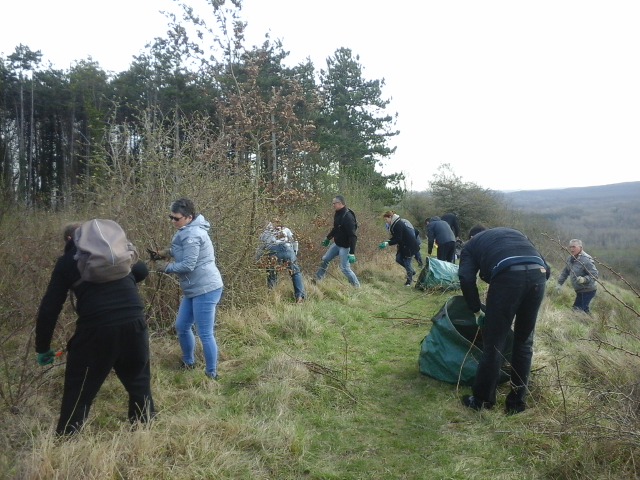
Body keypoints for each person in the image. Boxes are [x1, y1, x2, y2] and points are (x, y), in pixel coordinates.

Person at [35, 222, 155, 436]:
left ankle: (66, 443)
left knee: (79, 390)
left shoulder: (67, 263)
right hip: (134, 322)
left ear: (70, 241)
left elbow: (49, 309)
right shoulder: (117, 254)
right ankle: (143, 433)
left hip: (96, 331)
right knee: (139, 383)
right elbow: (142, 269)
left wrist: (42, 348)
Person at [457, 225, 550, 414]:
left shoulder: (470, 245)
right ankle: (516, 404)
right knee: (524, 343)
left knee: (494, 343)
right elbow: (547, 269)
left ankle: (482, 401)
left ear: (472, 236)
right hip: (538, 275)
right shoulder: (516, 233)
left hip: (508, 276)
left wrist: (476, 310)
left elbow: (466, 278)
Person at [153, 198, 224, 379]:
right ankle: (188, 362)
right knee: (182, 326)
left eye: (176, 218)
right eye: (171, 217)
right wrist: (164, 253)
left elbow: (188, 264)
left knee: (205, 333)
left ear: (189, 217)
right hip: (193, 288)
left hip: (206, 288)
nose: (173, 221)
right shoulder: (186, 231)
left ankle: (211, 374)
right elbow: (180, 248)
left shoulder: (193, 235)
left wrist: (166, 267)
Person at [314, 195, 360, 287]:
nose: (333, 205)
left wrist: (352, 252)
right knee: (325, 259)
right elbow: (336, 228)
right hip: (337, 244)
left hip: (345, 247)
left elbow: (353, 236)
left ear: (340, 203)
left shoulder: (348, 217)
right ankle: (317, 279)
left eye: (334, 203)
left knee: (345, 269)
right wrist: (328, 238)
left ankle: (356, 287)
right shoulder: (338, 213)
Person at [256, 220, 306, 303]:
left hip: (273, 252)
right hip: (288, 249)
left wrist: (257, 260)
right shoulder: (285, 229)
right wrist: (294, 253)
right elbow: (295, 241)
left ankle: (272, 298)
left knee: (272, 275)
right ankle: (300, 297)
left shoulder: (264, 234)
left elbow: (260, 249)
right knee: (295, 273)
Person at [557, 239, 599, 313]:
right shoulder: (570, 259)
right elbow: (565, 272)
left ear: (581, 247)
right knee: (584, 311)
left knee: (576, 311)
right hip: (579, 290)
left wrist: (584, 279)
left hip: (588, 290)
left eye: (574, 247)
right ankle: (591, 322)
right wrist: (559, 284)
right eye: (570, 247)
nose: (572, 249)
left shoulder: (586, 259)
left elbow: (595, 275)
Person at [380, 211, 421, 286]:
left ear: (390, 217)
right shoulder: (394, 223)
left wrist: (388, 243)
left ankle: (409, 281)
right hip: (403, 246)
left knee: (407, 262)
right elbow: (396, 237)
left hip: (409, 246)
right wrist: (388, 241)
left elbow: (398, 238)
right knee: (398, 259)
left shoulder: (398, 224)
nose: (386, 222)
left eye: (386, 220)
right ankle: (412, 271)